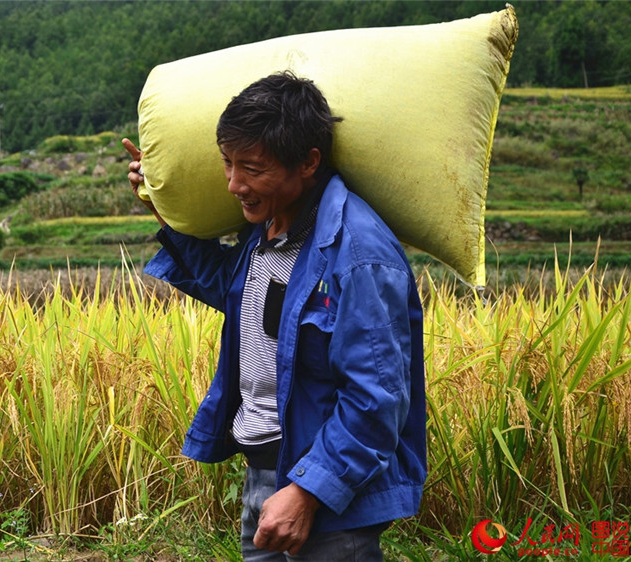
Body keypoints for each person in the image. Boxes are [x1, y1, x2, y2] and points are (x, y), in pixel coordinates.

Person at [123, 71, 426, 561]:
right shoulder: (266, 233)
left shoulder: (358, 254)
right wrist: (164, 205)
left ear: (308, 162)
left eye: (252, 168)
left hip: (326, 494)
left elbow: (377, 399)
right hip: (264, 476)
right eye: (227, 163)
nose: (233, 184)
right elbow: (230, 290)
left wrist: (307, 492)